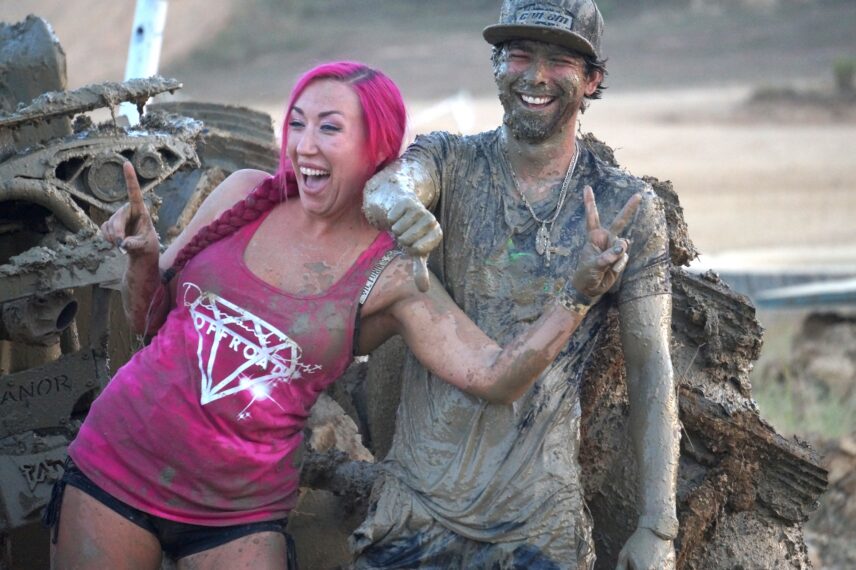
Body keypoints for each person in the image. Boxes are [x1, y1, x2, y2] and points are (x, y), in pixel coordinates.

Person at [45, 60, 637, 569]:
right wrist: (144, 257)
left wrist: (579, 291)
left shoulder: (395, 275)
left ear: (376, 146)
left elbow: (497, 376)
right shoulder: (244, 194)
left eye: (330, 128)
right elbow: (149, 319)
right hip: (114, 466)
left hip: (236, 514)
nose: (304, 144)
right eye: (297, 123)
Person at [352, 1, 680, 569]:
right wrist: (397, 206)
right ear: (496, 65)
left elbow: (651, 364)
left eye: (559, 61)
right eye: (519, 55)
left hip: (535, 526)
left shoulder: (626, 206)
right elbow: (390, 185)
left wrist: (658, 525)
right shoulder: (449, 160)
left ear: (593, 79)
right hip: (413, 511)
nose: (535, 76)